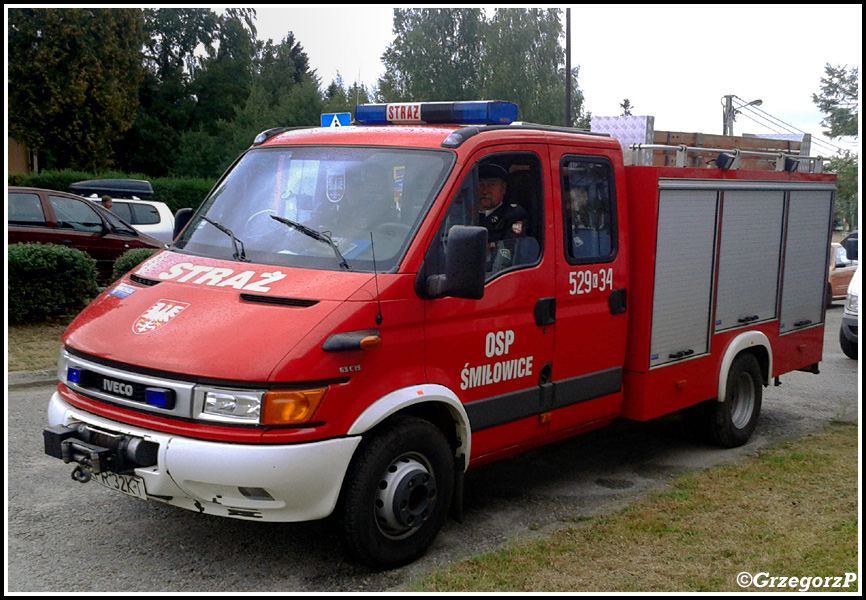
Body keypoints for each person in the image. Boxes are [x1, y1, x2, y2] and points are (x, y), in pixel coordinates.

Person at [477, 163, 530, 271]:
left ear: (503, 189)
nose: (485, 191)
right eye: (481, 184)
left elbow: (507, 254)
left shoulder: (513, 214)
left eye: (492, 185)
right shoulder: (462, 211)